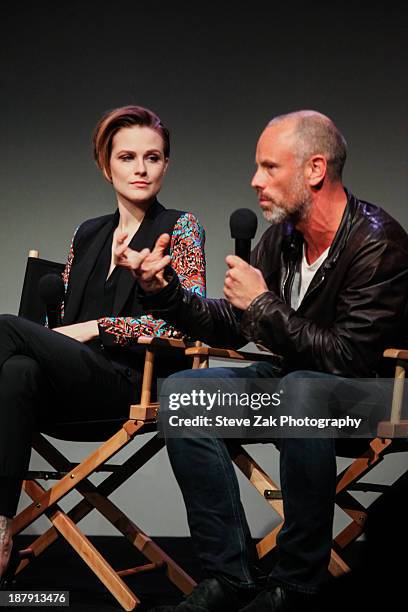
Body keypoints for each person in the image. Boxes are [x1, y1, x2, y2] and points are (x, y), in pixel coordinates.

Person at [114, 110, 408, 612]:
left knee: (305, 388)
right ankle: (230, 575)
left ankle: (297, 585)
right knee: (185, 393)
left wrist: (264, 304)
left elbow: (349, 358)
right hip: (295, 388)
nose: (255, 181)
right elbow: (231, 324)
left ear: (314, 170)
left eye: (269, 167)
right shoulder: (284, 238)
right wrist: (163, 293)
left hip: (367, 400)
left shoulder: (376, 243)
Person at [0, 105, 206, 586]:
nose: (140, 168)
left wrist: (98, 327)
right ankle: (2, 528)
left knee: (5, 327)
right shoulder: (88, 233)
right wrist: (69, 331)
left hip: (128, 386)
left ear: (166, 165)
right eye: (128, 157)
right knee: (15, 374)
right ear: (106, 166)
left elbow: (188, 328)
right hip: (69, 388)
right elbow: (62, 324)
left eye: (152, 157)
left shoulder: (180, 228)